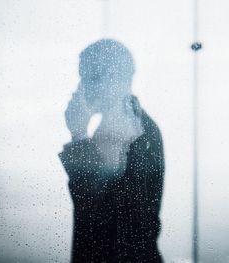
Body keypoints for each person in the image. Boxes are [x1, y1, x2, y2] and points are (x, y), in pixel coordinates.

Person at [58, 39, 165, 263]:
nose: (83, 86)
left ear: (120, 78)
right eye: (82, 77)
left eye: (93, 76)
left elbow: (101, 215)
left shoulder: (127, 132)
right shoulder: (129, 125)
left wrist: (78, 135)